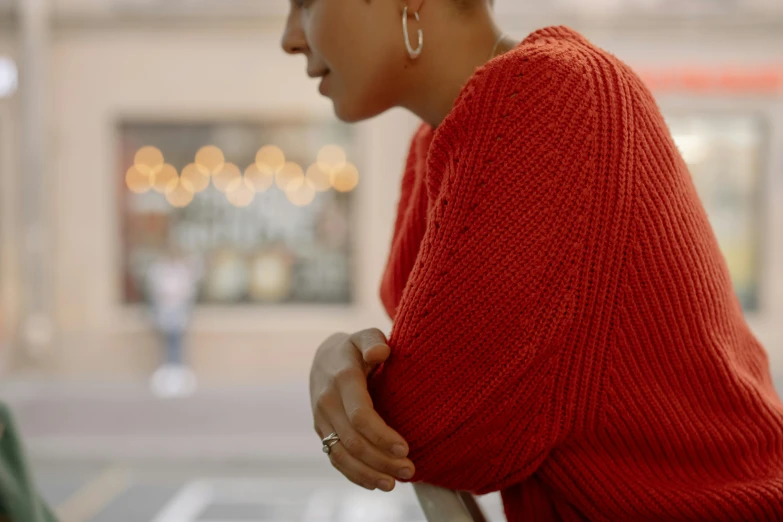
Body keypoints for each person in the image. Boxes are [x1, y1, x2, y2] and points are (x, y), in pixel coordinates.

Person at [283, 1, 783, 520]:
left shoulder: (549, 92)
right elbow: (421, 354)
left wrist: (332, 364)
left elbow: (423, 430)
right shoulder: (450, 134)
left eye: (306, 2)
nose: (290, 38)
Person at [146, 245, 202, 398]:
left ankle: (177, 374)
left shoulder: (182, 270)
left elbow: (189, 287)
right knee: (167, 344)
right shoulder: (160, 270)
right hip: (165, 313)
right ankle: (168, 374)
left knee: (177, 344)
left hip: (178, 312)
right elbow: (157, 289)